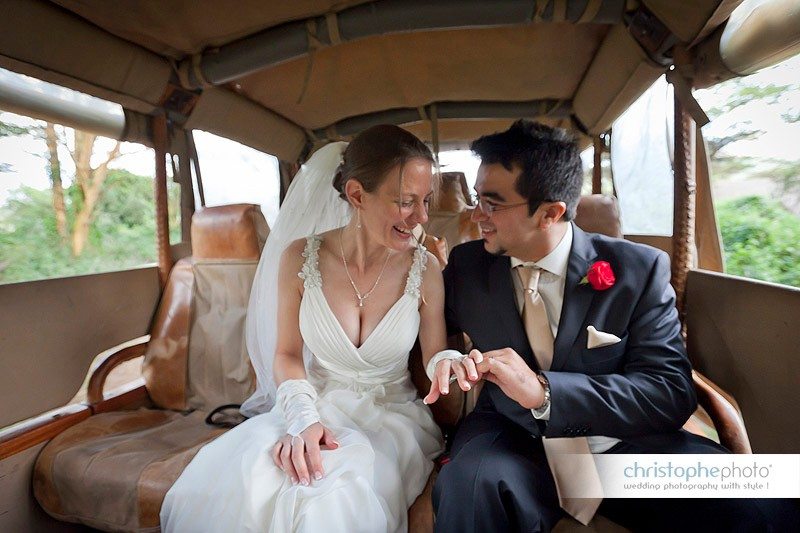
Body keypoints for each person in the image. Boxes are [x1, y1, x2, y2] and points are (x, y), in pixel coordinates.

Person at [427, 120, 799, 532]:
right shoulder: (466, 267)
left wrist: (546, 392)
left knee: (765, 500)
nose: (476, 215)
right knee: (467, 484)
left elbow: (670, 391)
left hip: (620, 448)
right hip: (513, 444)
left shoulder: (637, 270)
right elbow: (430, 339)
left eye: (492, 204)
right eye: (477, 198)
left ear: (551, 212)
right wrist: (448, 359)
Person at [160, 125, 447, 532]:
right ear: (356, 195)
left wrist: (452, 361)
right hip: (314, 403)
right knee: (251, 481)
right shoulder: (299, 258)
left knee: (333, 496)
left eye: (427, 201)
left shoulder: (426, 269)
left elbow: (436, 358)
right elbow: (287, 355)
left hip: (392, 419)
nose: (421, 218)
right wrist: (302, 419)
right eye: (406, 202)